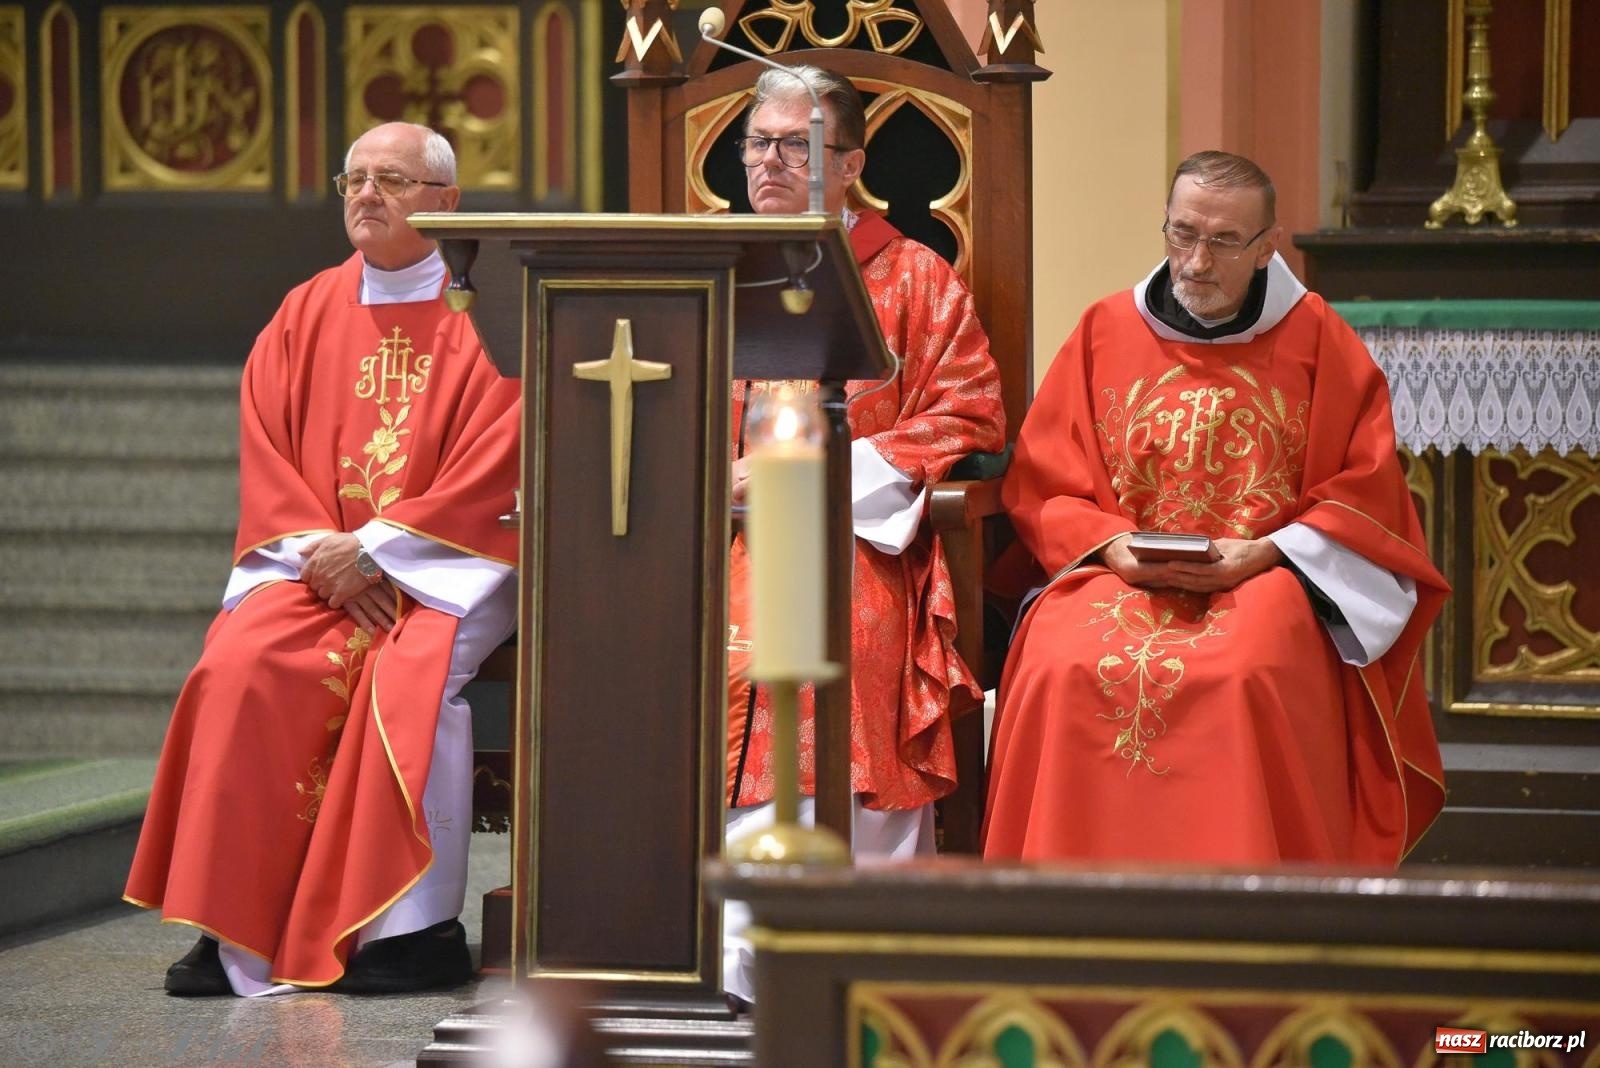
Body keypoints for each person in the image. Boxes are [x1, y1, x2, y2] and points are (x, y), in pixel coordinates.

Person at [124, 122, 520, 996]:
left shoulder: (497, 312)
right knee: (239, 662)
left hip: (452, 562)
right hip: (319, 564)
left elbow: (507, 452)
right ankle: (236, 923)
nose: (368, 195)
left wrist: (380, 553)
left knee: (411, 673)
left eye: (394, 180)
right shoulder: (305, 311)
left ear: (448, 203)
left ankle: (410, 929)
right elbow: (268, 452)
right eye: (355, 180)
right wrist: (328, 559)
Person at [982, 151, 1448, 866]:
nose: (1195, 261)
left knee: (1245, 671)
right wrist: (1109, 545)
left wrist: (1267, 552)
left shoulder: (1320, 340)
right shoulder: (1104, 329)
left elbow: (1367, 492)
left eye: (1224, 241)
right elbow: (1045, 477)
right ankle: (1062, 909)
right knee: (1059, 661)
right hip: (1120, 571)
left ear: (1266, 247)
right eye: (1181, 234)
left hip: (1264, 576)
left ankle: (1246, 916)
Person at [722, 66, 1006, 1002]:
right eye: (758, 142)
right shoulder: (701, 266)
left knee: (838, 654)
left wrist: (807, 478)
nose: (768, 161)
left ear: (849, 166)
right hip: (704, 535)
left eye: (794, 147)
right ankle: (717, 956)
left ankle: (859, 955)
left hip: (849, 537)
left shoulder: (914, 276)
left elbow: (971, 411)